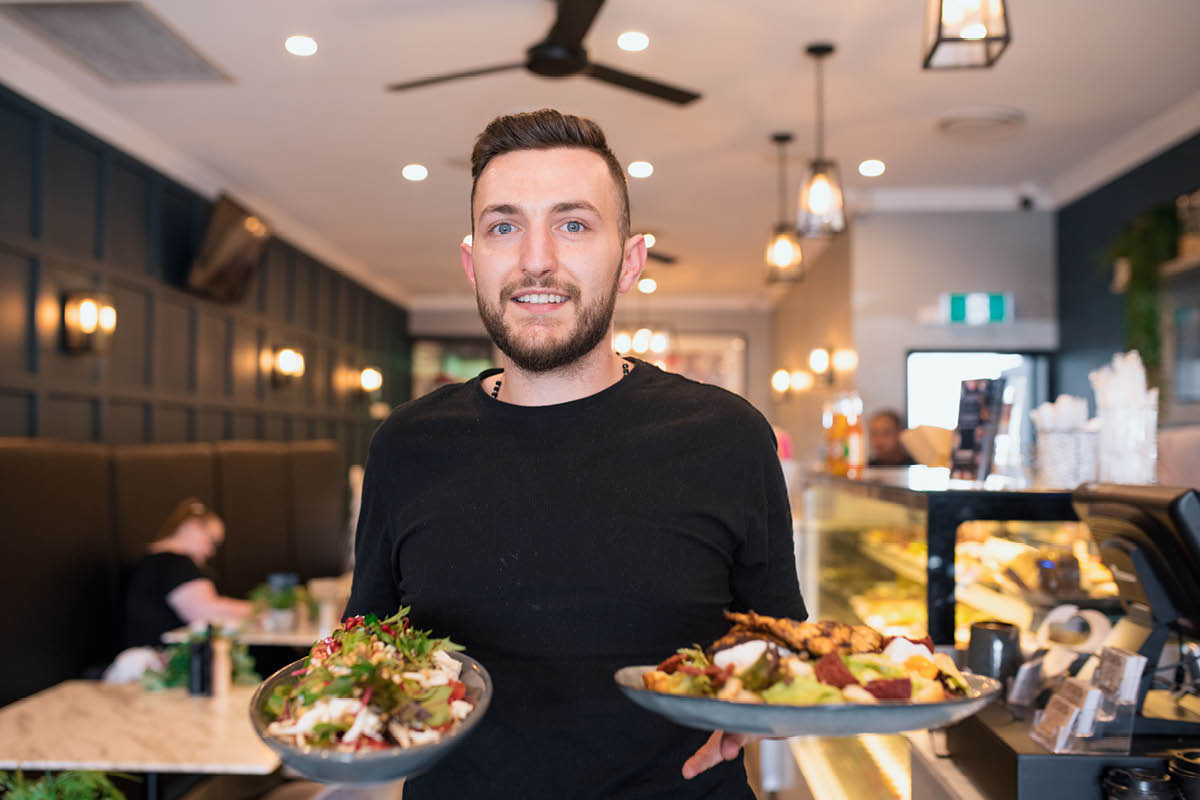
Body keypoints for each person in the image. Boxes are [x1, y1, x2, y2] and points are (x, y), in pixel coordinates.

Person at [345, 109, 805, 799]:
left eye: (573, 223)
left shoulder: (728, 434)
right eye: (504, 225)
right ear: (474, 261)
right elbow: (365, 648)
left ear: (630, 260)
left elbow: (785, 646)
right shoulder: (404, 446)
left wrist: (771, 705)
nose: (536, 259)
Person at [122, 498, 250, 648]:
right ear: (192, 526)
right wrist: (257, 609)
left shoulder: (155, 560)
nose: (211, 551)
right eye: (212, 541)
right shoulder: (175, 563)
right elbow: (207, 613)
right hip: (162, 660)